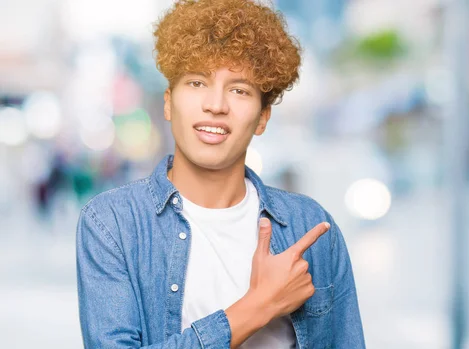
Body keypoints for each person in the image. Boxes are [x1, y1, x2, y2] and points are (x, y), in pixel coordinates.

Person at [76, 0, 365, 348]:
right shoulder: (113, 224)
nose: (216, 105)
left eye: (239, 90)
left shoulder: (310, 227)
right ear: (168, 102)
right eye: (197, 83)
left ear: (262, 117)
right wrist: (257, 306)